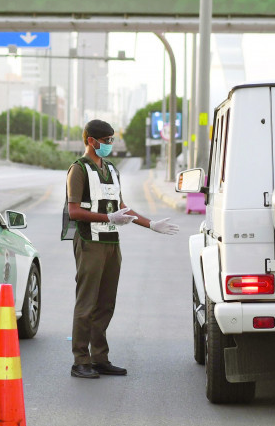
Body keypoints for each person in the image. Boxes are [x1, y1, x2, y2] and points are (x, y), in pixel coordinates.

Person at [66, 119, 179, 379]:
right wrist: (107, 218)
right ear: (91, 141)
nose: (110, 145)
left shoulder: (112, 170)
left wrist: (151, 224)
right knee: (86, 304)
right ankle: (80, 361)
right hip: (90, 243)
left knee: (106, 303)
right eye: (106, 141)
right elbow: (74, 211)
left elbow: (122, 207)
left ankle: (100, 358)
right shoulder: (79, 170)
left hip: (111, 244)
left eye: (112, 140)